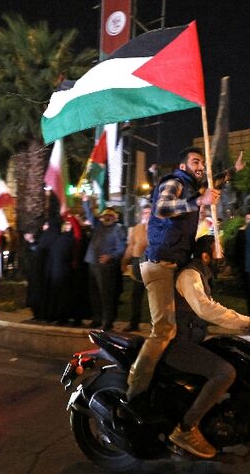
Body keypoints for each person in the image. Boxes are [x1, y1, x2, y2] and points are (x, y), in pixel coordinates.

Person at [125, 148, 225, 407]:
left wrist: (233, 171)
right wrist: (199, 203)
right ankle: (134, 393)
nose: (200, 165)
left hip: (175, 263)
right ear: (183, 165)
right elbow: (162, 207)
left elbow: (211, 184)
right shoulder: (174, 182)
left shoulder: (192, 187)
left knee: (184, 323)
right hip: (159, 264)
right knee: (163, 329)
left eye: (202, 161)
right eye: (195, 161)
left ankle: (172, 379)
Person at [164, 235, 250, 458]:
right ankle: (185, 429)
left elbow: (211, 309)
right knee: (225, 372)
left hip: (191, 341)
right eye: (218, 252)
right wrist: (248, 322)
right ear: (206, 256)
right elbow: (207, 309)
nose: (222, 257)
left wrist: (248, 326)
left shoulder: (200, 275)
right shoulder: (190, 275)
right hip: (177, 345)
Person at [82, 198, 127, 330]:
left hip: (106, 266)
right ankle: (96, 318)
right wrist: (85, 202)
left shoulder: (117, 229)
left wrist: (110, 256)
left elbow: (121, 247)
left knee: (106, 294)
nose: (107, 217)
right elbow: (90, 215)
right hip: (92, 262)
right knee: (94, 293)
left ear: (114, 217)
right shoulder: (98, 226)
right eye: (105, 215)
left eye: (110, 215)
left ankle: (108, 321)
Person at [122, 204, 151, 332]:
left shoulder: (157, 228)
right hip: (137, 263)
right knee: (136, 295)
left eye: (149, 213)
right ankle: (134, 322)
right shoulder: (137, 229)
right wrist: (124, 260)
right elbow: (130, 246)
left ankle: (156, 324)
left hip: (152, 264)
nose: (147, 215)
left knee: (154, 296)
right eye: (145, 213)